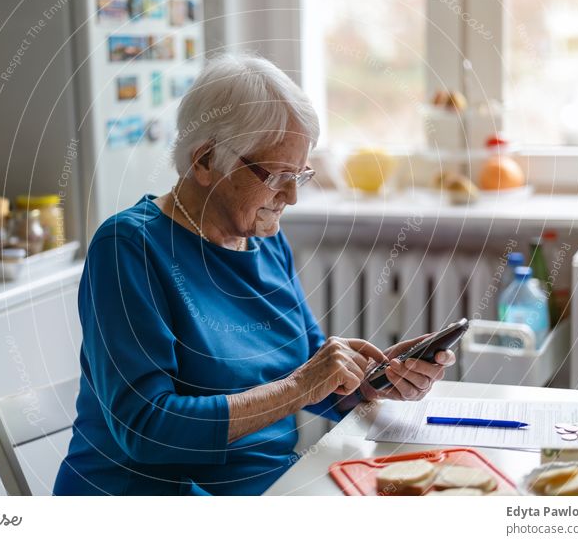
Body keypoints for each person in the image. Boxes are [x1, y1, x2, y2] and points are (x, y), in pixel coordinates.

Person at [53, 54, 455, 496]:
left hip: (268, 487)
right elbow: (146, 429)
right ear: (205, 161)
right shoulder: (128, 247)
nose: (293, 196)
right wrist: (302, 385)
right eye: (278, 175)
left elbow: (303, 374)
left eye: (301, 172)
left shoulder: (263, 241)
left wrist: (369, 383)